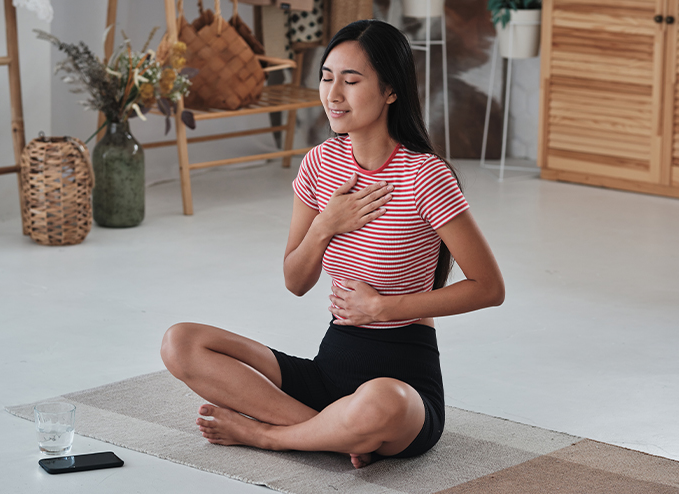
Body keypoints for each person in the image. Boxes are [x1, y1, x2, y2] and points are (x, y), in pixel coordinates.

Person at [160, 19, 504, 469]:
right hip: (329, 368)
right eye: (326, 77)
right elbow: (295, 281)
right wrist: (325, 226)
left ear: (391, 91)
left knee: (382, 402)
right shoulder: (320, 164)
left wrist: (382, 309)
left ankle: (271, 436)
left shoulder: (425, 176)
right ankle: (335, 433)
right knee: (180, 342)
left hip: (403, 386)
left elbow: (489, 287)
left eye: (351, 80)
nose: (333, 94)